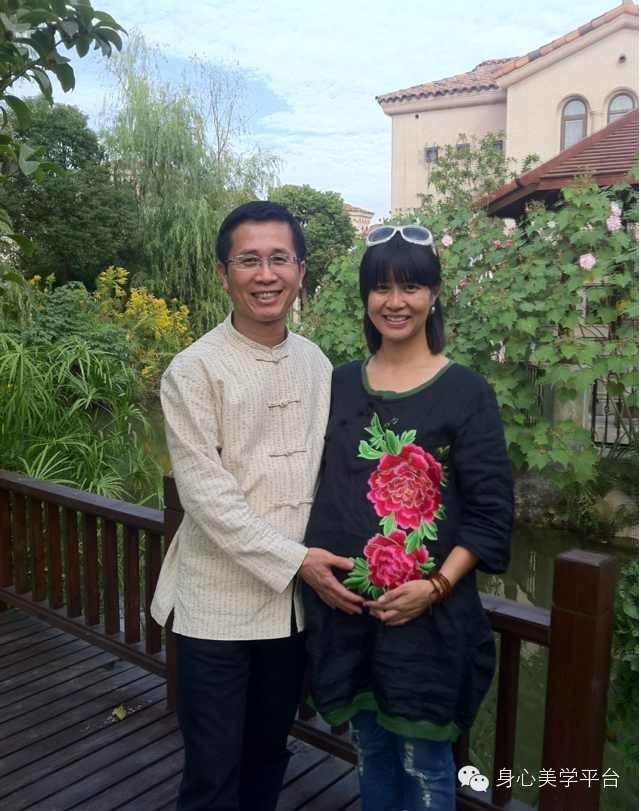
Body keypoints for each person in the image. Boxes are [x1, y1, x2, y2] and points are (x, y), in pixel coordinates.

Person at [151, 201, 363, 811]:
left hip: (290, 614)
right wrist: (298, 560)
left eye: (279, 259)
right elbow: (206, 497)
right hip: (215, 611)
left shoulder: (317, 363)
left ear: (301, 271)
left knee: (269, 758)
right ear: (224, 275)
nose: (265, 275)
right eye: (249, 260)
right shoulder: (193, 370)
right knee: (213, 775)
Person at [302, 224, 514, 811]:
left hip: (427, 625)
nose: (395, 302)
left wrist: (436, 586)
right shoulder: (339, 384)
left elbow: (491, 513)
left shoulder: (465, 391)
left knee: (425, 763)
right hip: (347, 616)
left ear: (434, 294)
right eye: (382, 288)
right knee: (370, 750)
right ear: (366, 297)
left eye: (411, 287)